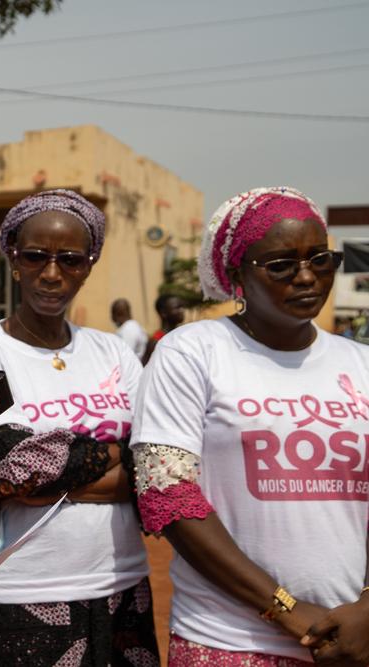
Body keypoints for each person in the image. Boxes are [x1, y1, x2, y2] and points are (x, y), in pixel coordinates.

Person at [131, 186, 369, 665]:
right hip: (229, 641)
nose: (306, 277)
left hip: (354, 641)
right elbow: (168, 494)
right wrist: (286, 610)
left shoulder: (360, 362)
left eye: (320, 259)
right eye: (280, 264)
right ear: (237, 273)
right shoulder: (192, 352)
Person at [0, 190, 158, 666]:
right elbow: (10, 468)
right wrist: (118, 454)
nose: (52, 274)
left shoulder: (113, 353)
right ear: (12, 258)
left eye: (70, 260)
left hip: (124, 586)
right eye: (35, 256)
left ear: (89, 266)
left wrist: (54, 476)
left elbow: (157, 463)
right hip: (24, 591)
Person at [141, 293, 185, 364]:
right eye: (177, 308)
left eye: (182, 307)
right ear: (163, 313)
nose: (182, 310)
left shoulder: (182, 335)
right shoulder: (155, 342)